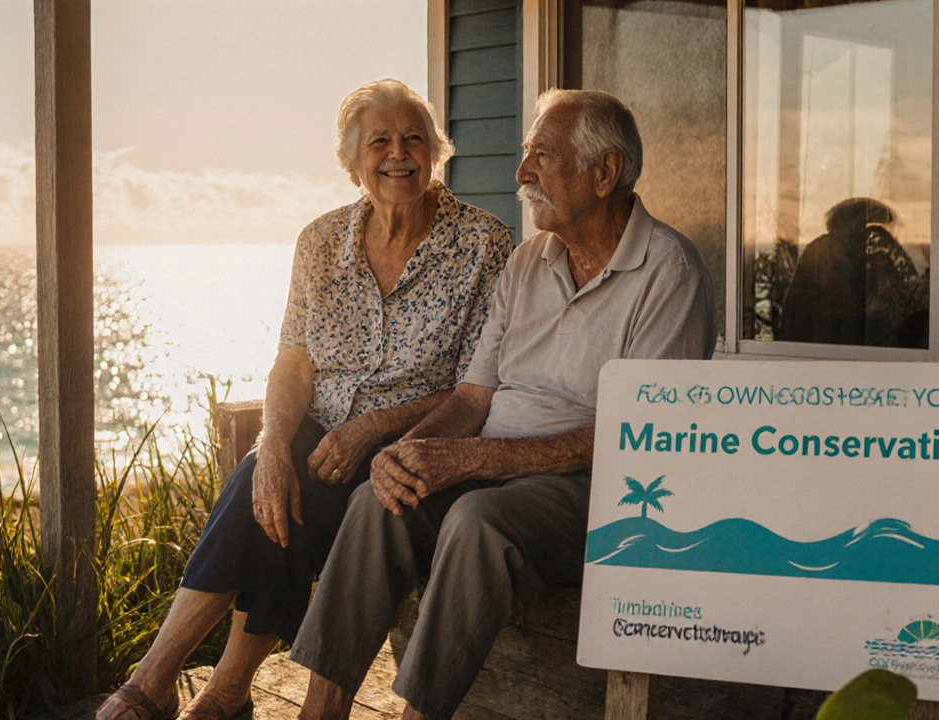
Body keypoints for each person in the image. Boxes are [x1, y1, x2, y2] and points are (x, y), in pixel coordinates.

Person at [289, 89, 716, 720]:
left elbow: (640, 436)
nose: (521, 174)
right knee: (380, 499)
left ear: (605, 172)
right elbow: (472, 395)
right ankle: (319, 711)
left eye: (542, 156)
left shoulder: (669, 273)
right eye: (525, 155)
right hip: (491, 467)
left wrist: (474, 461)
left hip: (595, 488)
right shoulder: (526, 263)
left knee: (477, 522)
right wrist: (409, 453)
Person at [97, 79, 512, 720]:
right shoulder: (319, 241)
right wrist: (272, 449)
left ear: (435, 152)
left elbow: (472, 386)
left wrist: (373, 426)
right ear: (353, 163)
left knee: (278, 506)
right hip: (322, 437)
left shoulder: (484, 244)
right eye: (380, 142)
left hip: (417, 449)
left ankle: (184, 687)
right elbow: (292, 363)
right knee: (265, 486)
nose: (398, 154)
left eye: (413, 140)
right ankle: (186, 684)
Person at [776, 197, 925, 347]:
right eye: (869, 227)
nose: (876, 236)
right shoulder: (827, 252)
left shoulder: (852, 253)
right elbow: (837, 314)